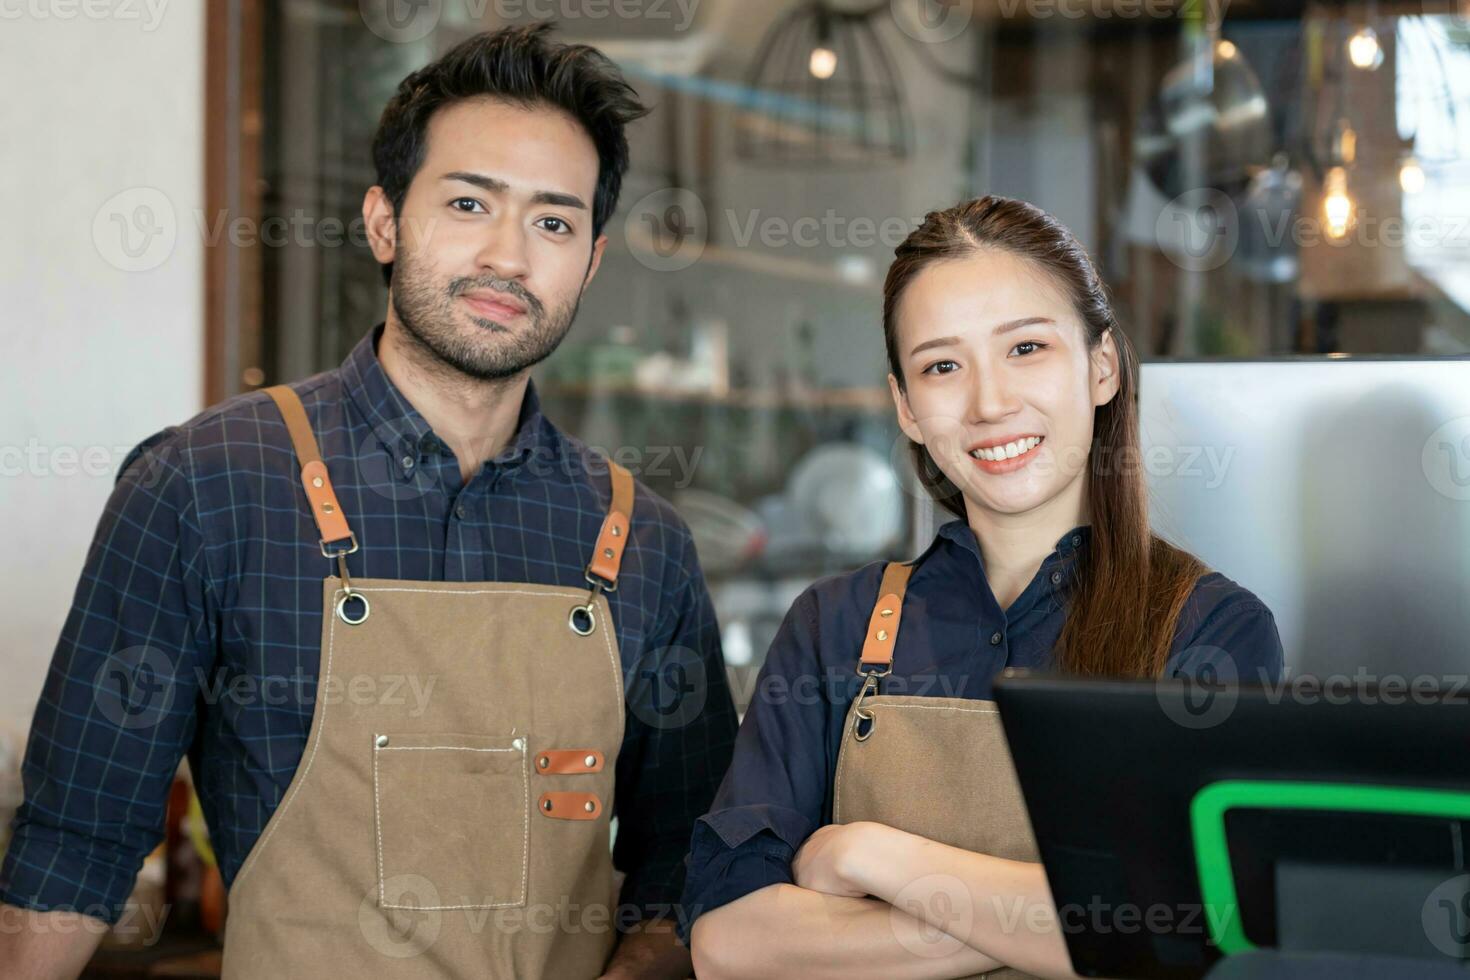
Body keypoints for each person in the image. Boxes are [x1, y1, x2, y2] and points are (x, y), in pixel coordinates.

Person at [0, 24, 734, 980]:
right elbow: (75, 846)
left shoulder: (644, 543)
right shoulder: (207, 484)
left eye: (553, 222)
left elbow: (685, 873)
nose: (509, 257)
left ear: (590, 262)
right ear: (385, 222)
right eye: (470, 203)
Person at [681, 196, 1284, 979]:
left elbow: (1198, 934)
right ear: (905, 406)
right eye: (941, 366)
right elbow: (729, 942)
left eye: (1026, 348)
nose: (990, 403)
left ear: (1101, 367)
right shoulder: (834, 626)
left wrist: (874, 857)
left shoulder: (1208, 630)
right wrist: (1058, 924)